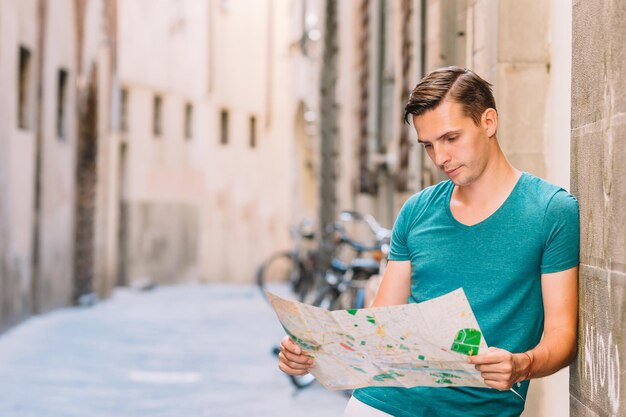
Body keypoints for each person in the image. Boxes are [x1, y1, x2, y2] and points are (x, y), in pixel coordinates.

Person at [277, 66, 579, 417]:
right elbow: (380, 322)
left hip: (479, 409)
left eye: (451, 138)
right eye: (428, 146)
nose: (440, 158)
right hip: (383, 403)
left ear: (488, 122)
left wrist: (522, 365)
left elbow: (562, 335)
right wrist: (315, 351)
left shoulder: (550, 211)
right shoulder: (417, 211)